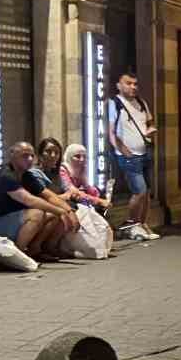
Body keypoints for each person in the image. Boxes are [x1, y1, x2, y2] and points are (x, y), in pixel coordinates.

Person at [0, 142, 69, 260]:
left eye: (32, 156)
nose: (29, 159)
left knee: (54, 215)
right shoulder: (5, 176)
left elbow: (48, 195)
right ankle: (17, 256)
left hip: (18, 222)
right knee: (37, 213)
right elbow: (29, 200)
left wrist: (67, 211)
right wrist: (61, 211)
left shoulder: (27, 176)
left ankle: (35, 250)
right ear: (12, 156)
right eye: (24, 156)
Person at [107, 72, 159, 241]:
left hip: (145, 151)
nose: (133, 87)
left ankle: (143, 224)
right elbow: (111, 132)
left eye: (135, 84)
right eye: (128, 83)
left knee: (147, 192)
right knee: (139, 190)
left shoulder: (141, 103)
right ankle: (132, 225)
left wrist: (150, 130)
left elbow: (150, 122)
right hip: (129, 155)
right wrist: (122, 150)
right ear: (119, 85)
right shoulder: (114, 103)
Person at [60, 143, 110, 211]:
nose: (82, 159)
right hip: (66, 200)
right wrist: (99, 201)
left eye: (84, 156)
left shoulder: (80, 169)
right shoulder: (63, 170)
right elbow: (73, 192)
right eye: (77, 156)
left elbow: (88, 188)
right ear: (69, 157)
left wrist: (99, 198)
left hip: (76, 197)